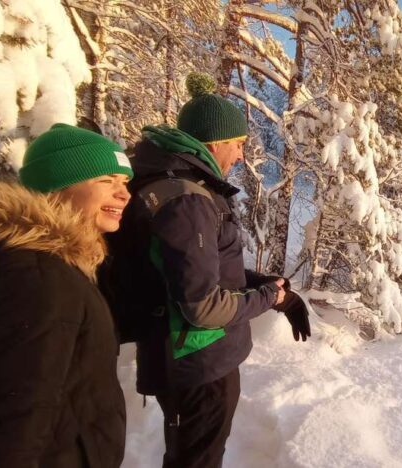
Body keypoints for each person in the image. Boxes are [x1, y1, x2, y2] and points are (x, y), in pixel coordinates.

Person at [105, 72, 309, 468]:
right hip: (195, 365)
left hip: (194, 361)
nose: (239, 155)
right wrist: (270, 297)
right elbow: (201, 304)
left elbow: (193, 270)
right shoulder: (187, 200)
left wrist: (267, 287)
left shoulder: (178, 186)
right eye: (237, 144)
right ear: (213, 142)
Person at [0, 123, 132, 467]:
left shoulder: (50, 266)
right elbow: (10, 420)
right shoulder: (38, 277)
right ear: (57, 188)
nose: (124, 194)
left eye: (124, 182)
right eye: (106, 180)